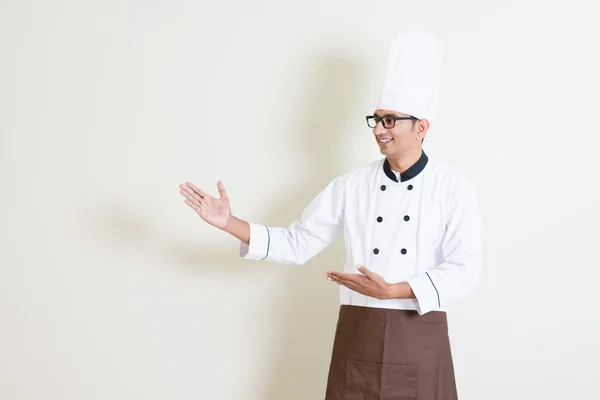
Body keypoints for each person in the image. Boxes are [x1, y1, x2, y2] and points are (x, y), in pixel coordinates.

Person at [179, 31, 482, 400]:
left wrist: (394, 291)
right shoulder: (351, 185)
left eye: (391, 121)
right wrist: (229, 223)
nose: (379, 130)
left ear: (421, 127)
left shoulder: (452, 188)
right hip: (359, 332)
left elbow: (464, 270)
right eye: (376, 120)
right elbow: (297, 243)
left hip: (419, 335)